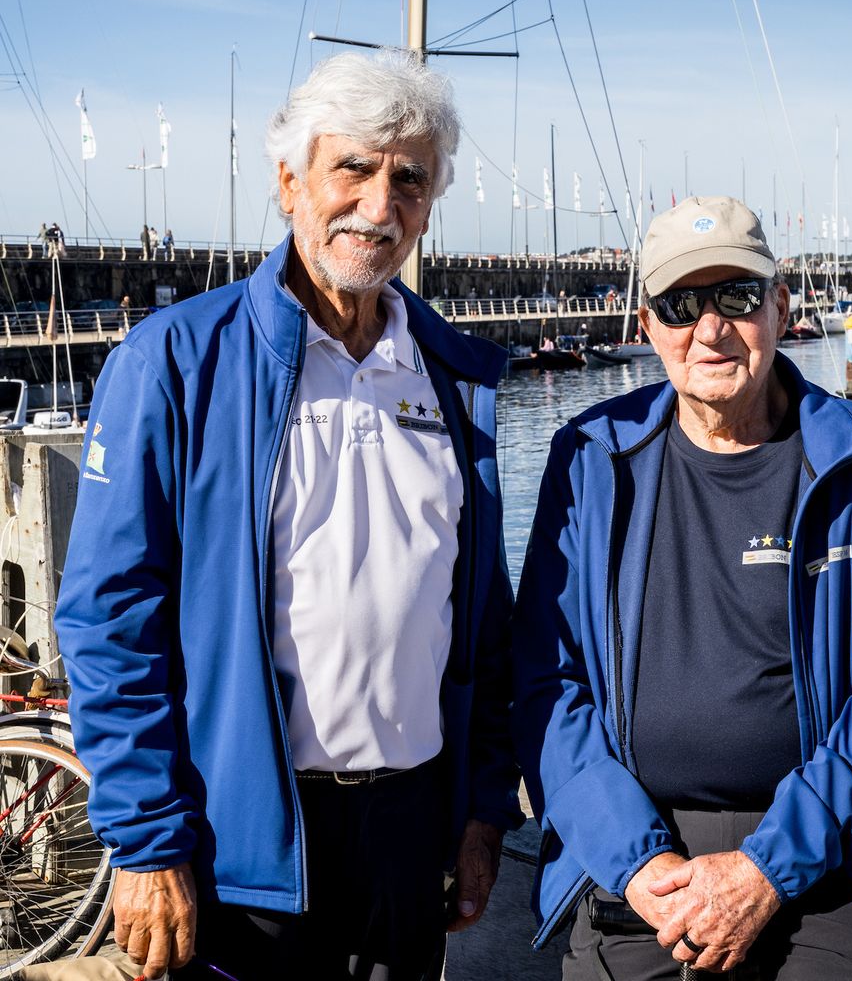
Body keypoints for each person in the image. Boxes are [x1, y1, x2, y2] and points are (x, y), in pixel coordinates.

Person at [54, 50, 522, 981]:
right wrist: (147, 843)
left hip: (410, 828)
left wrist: (481, 814)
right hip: (242, 840)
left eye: (410, 179)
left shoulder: (455, 378)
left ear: (430, 205)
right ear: (289, 180)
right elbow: (109, 622)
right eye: (353, 167)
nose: (379, 205)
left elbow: (484, 624)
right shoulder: (174, 364)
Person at [513, 196, 852, 981]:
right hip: (637, 859)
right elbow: (548, 683)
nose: (709, 328)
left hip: (827, 863)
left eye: (737, 298)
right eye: (681, 304)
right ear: (645, 326)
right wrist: (635, 865)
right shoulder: (589, 464)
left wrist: (763, 871)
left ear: (781, 309)